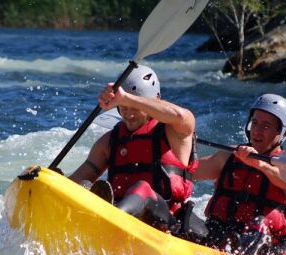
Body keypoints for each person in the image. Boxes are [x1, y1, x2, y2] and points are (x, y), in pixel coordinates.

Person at [68, 64, 204, 235]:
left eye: (135, 107)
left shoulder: (176, 132)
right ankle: (107, 217)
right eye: (123, 107)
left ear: (155, 100)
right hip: (123, 222)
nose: (129, 114)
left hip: (166, 225)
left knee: (142, 188)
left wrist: (126, 98)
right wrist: (46, 181)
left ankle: (112, 218)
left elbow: (181, 116)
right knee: (84, 186)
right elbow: (74, 182)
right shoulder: (109, 142)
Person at [193, 93, 286, 255]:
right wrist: (179, 143)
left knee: (259, 224)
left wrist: (259, 164)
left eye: (266, 126)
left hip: (262, 249)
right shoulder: (230, 155)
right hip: (220, 234)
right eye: (255, 123)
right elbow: (189, 170)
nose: (257, 131)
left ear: (282, 133)